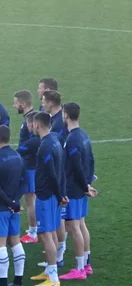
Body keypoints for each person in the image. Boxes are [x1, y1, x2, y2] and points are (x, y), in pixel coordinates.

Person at [58, 102, 97, 281]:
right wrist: (88, 184)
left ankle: (80, 269)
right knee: (81, 224)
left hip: (74, 189)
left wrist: (84, 186)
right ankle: (87, 265)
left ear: (66, 115)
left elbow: (77, 166)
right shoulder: (84, 136)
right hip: (81, 188)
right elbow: (91, 161)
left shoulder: (72, 139)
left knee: (74, 227)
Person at [29, 112, 68, 286]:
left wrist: (60, 195)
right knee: (51, 231)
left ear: (37, 125)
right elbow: (61, 170)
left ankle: (53, 276)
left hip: (46, 195)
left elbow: (51, 173)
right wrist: (61, 193)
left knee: (46, 234)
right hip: (54, 194)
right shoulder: (55, 141)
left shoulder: (45, 146)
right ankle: (49, 271)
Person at [0, 125, 27, 286]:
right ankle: (18, 280)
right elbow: (24, 182)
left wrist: (10, 203)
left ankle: (2, 282)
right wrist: (15, 202)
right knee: (15, 241)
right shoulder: (18, 157)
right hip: (14, 208)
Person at [18, 112, 42, 244]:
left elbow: (19, 151)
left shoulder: (33, 141)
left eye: (28, 123)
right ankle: (34, 229)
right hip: (35, 169)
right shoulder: (38, 138)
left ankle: (33, 232)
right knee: (32, 201)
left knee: (30, 202)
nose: (27, 126)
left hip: (30, 170)